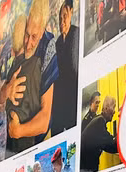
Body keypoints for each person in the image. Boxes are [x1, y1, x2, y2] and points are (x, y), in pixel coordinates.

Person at [2, 0, 58, 154]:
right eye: (27, 34)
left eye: (34, 36)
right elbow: (0, 96)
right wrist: (7, 90)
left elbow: (45, 120)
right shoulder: (19, 39)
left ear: (42, 31)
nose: (28, 43)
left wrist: (19, 131)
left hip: (35, 142)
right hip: (13, 140)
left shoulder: (48, 47)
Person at [51, 0, 79, 134]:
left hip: (72, 96)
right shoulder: (57, 43)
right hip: (60, 97)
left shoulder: (76, 34)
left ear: (71, 14)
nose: (62, 21)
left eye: (65, 16)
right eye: (60, 18)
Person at [80, 95, 118, 172]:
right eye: (113, 107)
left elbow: (107, 140)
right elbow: (111, 146)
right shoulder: (99, 121)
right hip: (86, 170)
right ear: (106, 109)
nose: (114, 111)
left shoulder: (98, 120)